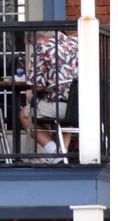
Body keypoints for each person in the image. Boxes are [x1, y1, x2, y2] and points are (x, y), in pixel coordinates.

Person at [19, 30, 78, 162]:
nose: (32, 46)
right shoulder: (77, 43)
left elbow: (38, 86)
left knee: (25, 114)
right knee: (68, 117)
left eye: (31, 43)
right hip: (85, 106)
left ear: (39, 38)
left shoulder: (43, 47)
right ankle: (62, 153)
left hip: (62, 107)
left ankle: (53, 151)